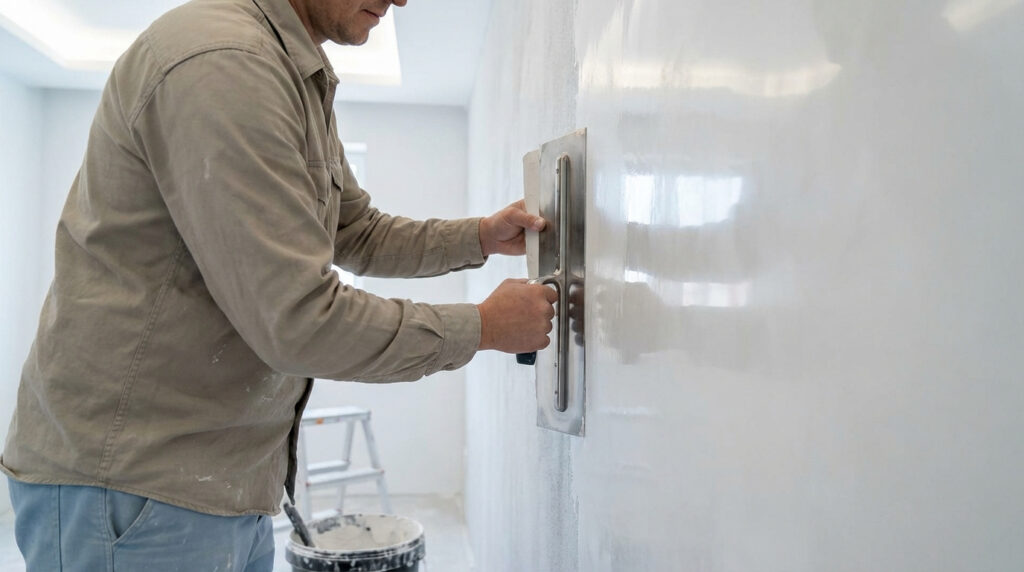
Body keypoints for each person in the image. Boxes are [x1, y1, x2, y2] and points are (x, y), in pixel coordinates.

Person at [0, 0, 557, 569]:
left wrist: (482, 237)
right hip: (135, 493)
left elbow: (354, 229)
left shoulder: (291, 68)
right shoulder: (226, 65)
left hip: (209, 487)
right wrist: (484, 327)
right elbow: (298, 320)